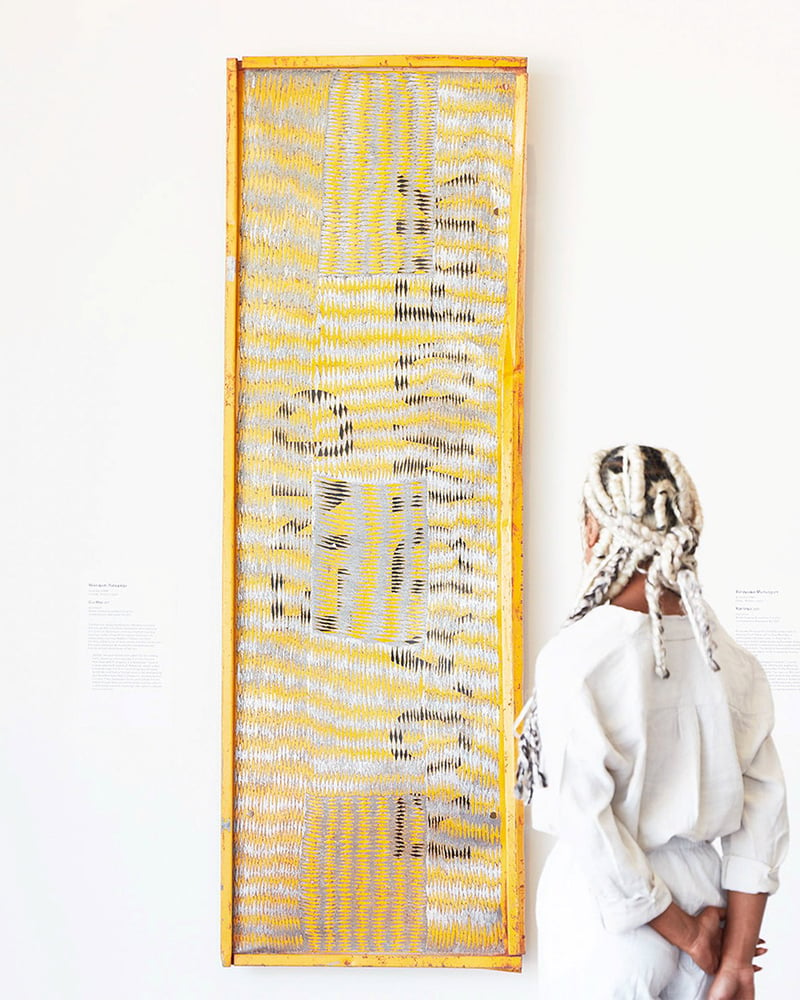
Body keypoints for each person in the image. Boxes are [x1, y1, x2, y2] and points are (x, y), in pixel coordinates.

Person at [514, 444, 789, 1000]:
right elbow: (763, 814)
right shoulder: (730, 660)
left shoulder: (577, 657)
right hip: (709, 907)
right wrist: (734, 960)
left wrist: (688, 936)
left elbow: (589, 824)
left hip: (610, 927)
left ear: (596, 530)